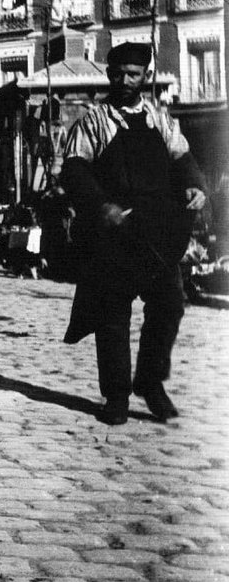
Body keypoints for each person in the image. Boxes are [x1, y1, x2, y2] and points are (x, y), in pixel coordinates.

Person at [60, 41, 206, 425]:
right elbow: (74, 170)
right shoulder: (94, 122)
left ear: (147, 77)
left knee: (169, 305)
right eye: (119, 73)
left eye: (134, 74)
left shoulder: (161, 120)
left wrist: (194, 185)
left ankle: (150, 380)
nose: (126, 80)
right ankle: (117, 395)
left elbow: (184, 160)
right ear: (109, 75)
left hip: (157, 233)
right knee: (112, 314)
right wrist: (100, 205)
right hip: (115, 232)